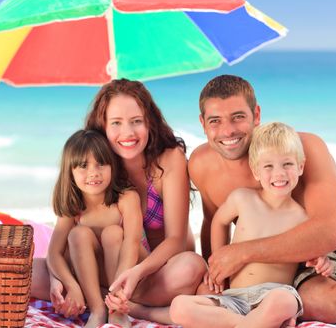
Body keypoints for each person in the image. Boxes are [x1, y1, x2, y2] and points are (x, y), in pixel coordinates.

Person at [189, 74, 336, 322]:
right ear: (202, 122)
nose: (228, 130)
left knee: (315, 300)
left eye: (238, 117)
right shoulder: (201, 164)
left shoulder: (303, 148)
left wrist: (241, 253)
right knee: (207, 297)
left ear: (257, 114)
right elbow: (213, 222)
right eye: (215, 121)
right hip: (275, 262)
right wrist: (218, 275)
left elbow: (330, 233)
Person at [32, 79, 206, 324]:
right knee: (27, 274)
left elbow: (176, 240)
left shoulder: (168, 159)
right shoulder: (99, 166)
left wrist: (135, 273)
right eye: (116, 123)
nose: (128, 133)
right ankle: (104, 302)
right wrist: (57, 279)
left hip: (156, 272)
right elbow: (69, 238)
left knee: (191, 266)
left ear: (150, 122)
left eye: (136, 121)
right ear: (102, 126)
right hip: (104, 269)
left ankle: (128, 307)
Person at [170, 122, 333, 328]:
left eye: (287, 164)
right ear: (256, 171)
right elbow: (219, 221)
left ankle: (248, 323)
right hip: (235, 298)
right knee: (179, 307)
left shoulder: (303, 218)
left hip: (272, 296)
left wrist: (321, 261)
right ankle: (252, 324)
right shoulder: (243, 199)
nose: (279, 173)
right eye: (268, 166)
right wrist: (218, 265)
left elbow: (312, 250)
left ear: (300, 166)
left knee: (285, 301)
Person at [43, 129, 145, 328]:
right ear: (69, 171)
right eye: (83, 166)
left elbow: (132, 244)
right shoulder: (73, 205)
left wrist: (118, 293)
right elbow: (53, 253)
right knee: (77, 234)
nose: (93, 173)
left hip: (126, 271)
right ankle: (97, 309)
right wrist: (72, 286)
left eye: (101, 164)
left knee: (112, 232)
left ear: (112, 166)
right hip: (91, 276)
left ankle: (114, 309)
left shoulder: (126, 198)